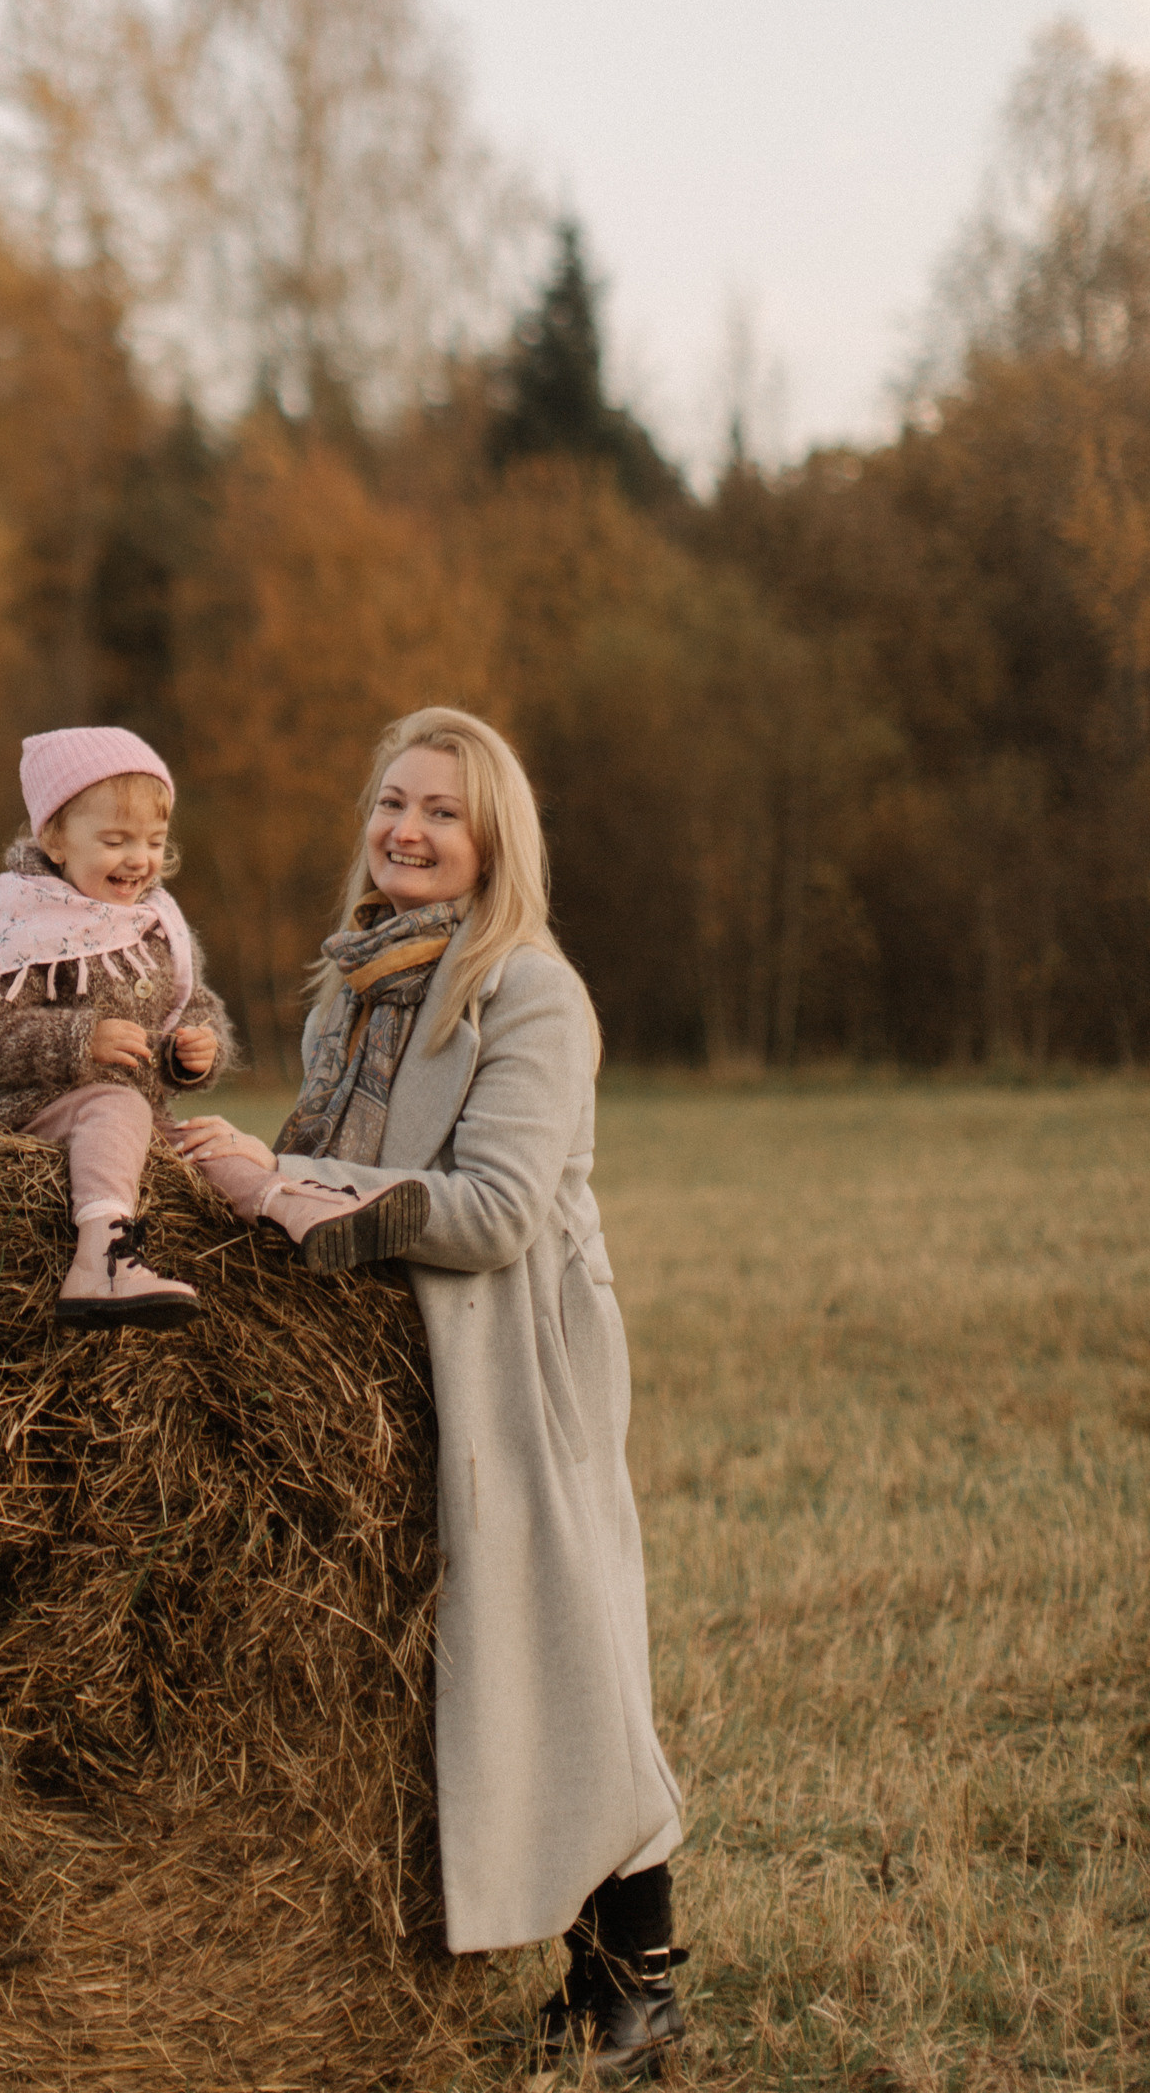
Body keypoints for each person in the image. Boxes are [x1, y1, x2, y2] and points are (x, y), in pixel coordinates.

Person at [174, 705, 687, 2079]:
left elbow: (493, 1213)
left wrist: (282, 1188)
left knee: (565, 1646)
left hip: (520, 1348)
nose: (407, 828)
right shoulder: (358, 983)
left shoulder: (529, 991)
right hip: (397, 1348)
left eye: (442, 812)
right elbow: (337, 1154)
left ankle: (637, 1989)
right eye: (393, 803)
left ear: (491, 841)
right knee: (457, 1659)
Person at [0, 726, 430, 1328]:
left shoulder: (154, 925)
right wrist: (79, 1041)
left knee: (207, 1141)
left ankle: (299, 1209)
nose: (139, 860)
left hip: (128, 1122)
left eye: (154, 841)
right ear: (54, 838)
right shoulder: (23, 924)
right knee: (120, 1106)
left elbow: (191, 1004)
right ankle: (99, 1258)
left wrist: (194, 1050)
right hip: (22, 1110)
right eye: (115, 840)